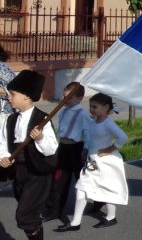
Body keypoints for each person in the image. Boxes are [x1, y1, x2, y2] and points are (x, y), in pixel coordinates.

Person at [56, 93, 128, 231]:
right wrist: (86, 149)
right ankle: (76, 222)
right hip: (92, 161)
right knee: (81, 186)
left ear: (106, 107)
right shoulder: (93, 122)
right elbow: (90, 138)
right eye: (90, 106)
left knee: (107, 187)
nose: (92, 109)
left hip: (106, 162)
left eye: (95, 107)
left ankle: (111, 217)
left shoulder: (108, 124)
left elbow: (123, 137)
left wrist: (110, 148)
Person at [0, 70, 56, 240]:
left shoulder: (42, 119)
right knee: (29, 216)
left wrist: (40, 138)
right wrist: (4, 157)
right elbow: (3, 143)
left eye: (13, 94)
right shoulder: (9, 119)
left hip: (37, 174)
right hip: (19, 173)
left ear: (26, 96)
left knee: (24, 216)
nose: (9, 98)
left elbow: (51, 149)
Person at [45, 82, 91, 223]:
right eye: (64, 97)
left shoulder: (83, 114)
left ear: (80, 98)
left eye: (69, 98)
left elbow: (88, 134)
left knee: (83, 181)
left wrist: (86, 150)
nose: (65, 101)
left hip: (77, 149)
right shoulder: (63, 110)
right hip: (63, 148)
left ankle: (98, 201)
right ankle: (55, 210)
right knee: (58, 180)